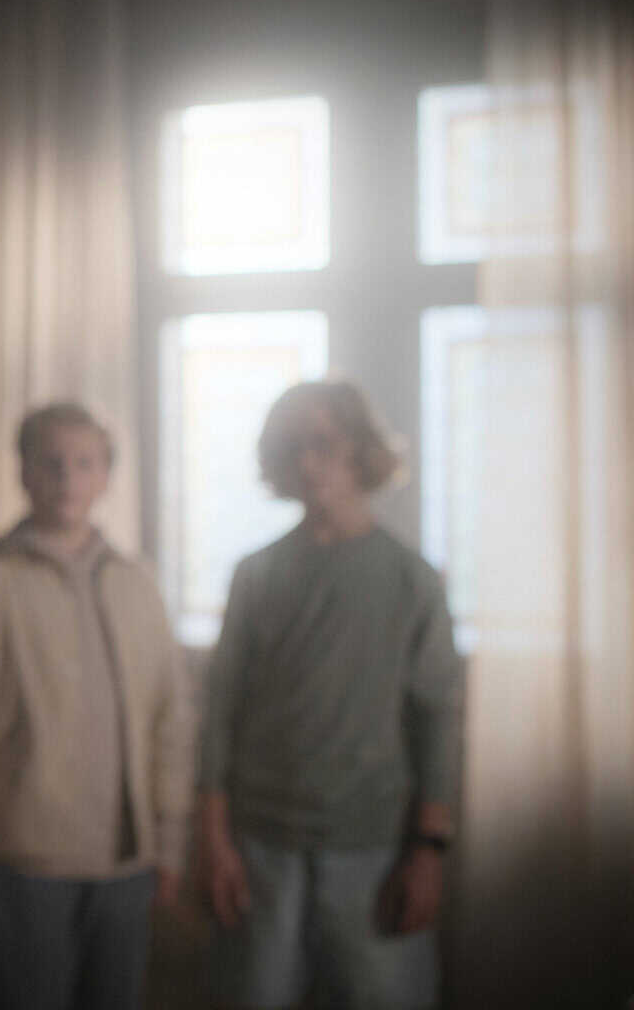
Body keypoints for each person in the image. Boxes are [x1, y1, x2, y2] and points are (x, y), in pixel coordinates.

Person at [197, 380, 464, 1009]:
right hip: (262, 839)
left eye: (323, 443)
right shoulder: (256, 575)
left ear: (359, 449)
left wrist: (428, 852)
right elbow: (219, 711)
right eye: (292, 446)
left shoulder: (412, 580)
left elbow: (438, 720)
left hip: (372, 843)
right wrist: (214, 839)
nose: (308, 461)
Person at [0, 402, 196, 1010]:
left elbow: (172, 717)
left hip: (125, 858)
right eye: (50, 462)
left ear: (106, 476)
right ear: (23, 471)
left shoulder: (137, 583)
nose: (67, 478)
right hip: (25, 856)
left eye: (84, 463)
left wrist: (170, 839)